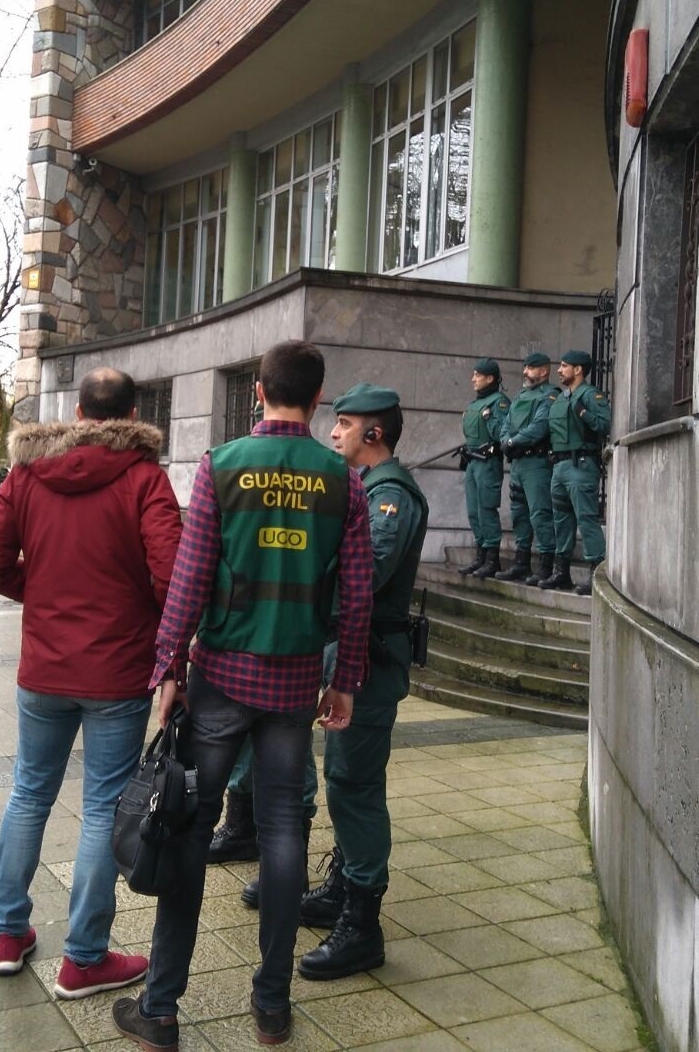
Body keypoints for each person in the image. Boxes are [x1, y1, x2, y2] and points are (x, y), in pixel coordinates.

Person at [112, 340, 373, 1051]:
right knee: (286, 831)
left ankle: (161, 1009)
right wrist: (344, 678)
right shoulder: (342, 481)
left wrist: (168, 667)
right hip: (293, 684)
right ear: (318, 401)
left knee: (188, 831)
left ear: (258, 392)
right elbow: (356, 593)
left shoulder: (222, 467)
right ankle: (272, 1006)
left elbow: (191, 577)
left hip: (222, 676)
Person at [0, 367, 181, 998]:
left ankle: (8, 933)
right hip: (117, 670)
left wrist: (41, 595)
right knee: (102, 807)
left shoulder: (28, 474)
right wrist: (151, 626)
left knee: (28, 793)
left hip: (44, 668)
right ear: (133, 412)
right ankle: (83, 957)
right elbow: (172, 575)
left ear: (78, 411)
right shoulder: (145, 478)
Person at [294, 382, 429, 980]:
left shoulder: (390, 495)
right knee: (344, 776)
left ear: (373, 433)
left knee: (354, 784)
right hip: (355, 655)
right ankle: (344, 886)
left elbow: (364, 575)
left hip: (370, 664)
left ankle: (362, 923)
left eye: (344, 424)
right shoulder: (368, 488)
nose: (333, 433)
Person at [541, 350, 613, 594]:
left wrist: (583, 412)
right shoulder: (560, 398)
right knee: (561, 520)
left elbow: (604, 425)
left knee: (586, 519)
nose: (559, 371)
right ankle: (562, 573)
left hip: (580, 466)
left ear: (578, 369)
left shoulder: (591, 395)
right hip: (559, 468)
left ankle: (597, 576)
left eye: (564, 366)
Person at [496, 353, 561, 586]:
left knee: (539, 513)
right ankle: (521, 563)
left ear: (544, 371)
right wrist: (505, 439)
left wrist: (512, 442)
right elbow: (506, 423)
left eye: (530, 369)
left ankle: (545, 565)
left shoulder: (550, 395)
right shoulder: (521, 395)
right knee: (519, 514)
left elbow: (539, 428)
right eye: (524, 368)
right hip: (518, 464)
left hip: (536, 464)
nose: (525, 372)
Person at [457, 358, 509, 579]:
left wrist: (489, 419)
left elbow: (501, 433)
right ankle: (480, 555)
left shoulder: (499, 403)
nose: (473, 379)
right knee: (473, 511)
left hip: (488, 463)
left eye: (478, 375)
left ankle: (492, 559)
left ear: (490, 378)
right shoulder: (473, 405)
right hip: (473, 462)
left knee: (486, 509)